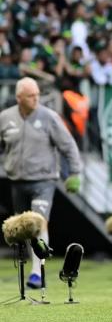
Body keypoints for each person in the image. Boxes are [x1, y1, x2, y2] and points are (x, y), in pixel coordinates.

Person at [0, 77, 82, 289]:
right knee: (24, 230)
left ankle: (37, 272)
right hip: (17, 181)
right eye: (30, 95)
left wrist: (75, 173)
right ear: (19, 98)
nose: (36, 98)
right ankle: (35, 268)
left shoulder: (49, 117)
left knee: (38, 223)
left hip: (43, 180)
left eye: (37, 94)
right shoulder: (5, 118)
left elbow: (69, 145)